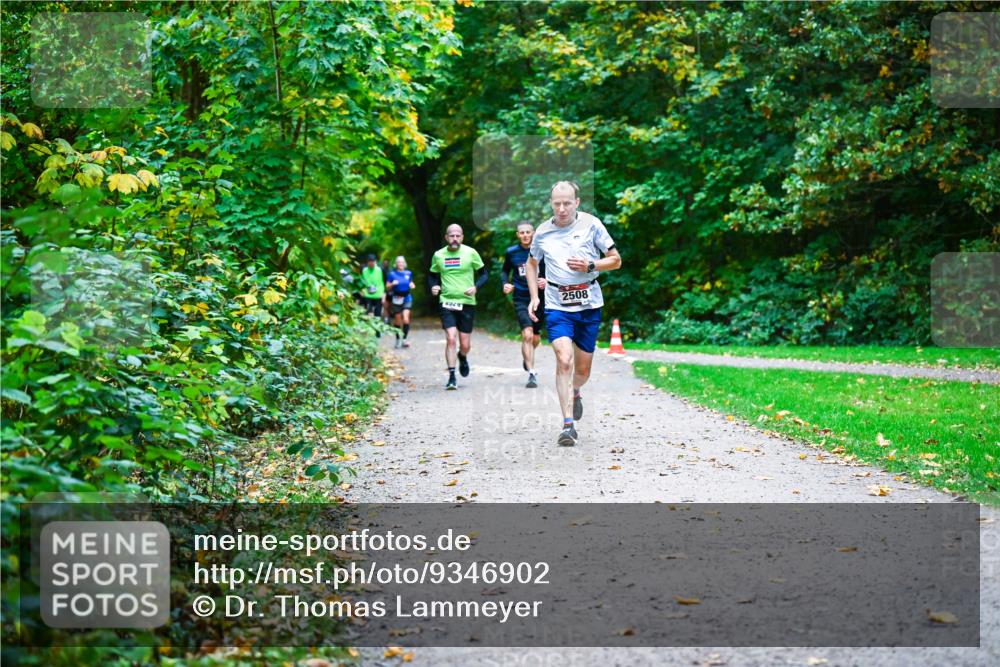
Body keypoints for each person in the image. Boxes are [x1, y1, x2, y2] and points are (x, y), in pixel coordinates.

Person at [525, 181, 622, 446]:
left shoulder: (592, 224)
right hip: (557, 304)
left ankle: (576, 390)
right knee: (563, 359)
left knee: (582, 371)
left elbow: (616, 259)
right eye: (557, 203)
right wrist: (535, 297)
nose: (562, 208)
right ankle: (568, 426)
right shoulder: (543, 232)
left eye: (567, 203)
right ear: (551, 203)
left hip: (589, 304)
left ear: (577, 202)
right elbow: (532, 264)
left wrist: (591, 264)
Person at [429, 224, 489, 390]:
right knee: (451, 338)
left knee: (465, 345)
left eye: (458, 235)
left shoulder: (471, 253)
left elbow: (484, 274)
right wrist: (433, 287)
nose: (454, 238)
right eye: (451, 235)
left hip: (467, 303)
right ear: (446, 237)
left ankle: (462, 356)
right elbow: (432, 276)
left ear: (462, 237)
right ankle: (452, 376)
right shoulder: (438, 255)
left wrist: (476, 287)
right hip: (446, 301)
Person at [502, 221, 547, 388]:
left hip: (540, 299)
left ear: (533, 233)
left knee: (535, 337)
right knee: (526, 335)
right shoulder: (511, 252)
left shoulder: (541, 251)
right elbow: (505, 271)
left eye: (528, 232)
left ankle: (528, 356)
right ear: (517, 235)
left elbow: (551, 270)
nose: (525, 235)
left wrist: (546, 280)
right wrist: (505, 283)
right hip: (520, 297)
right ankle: (531, 372)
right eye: (522, 233)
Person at [386, 255, 416, 348]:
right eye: (399, 262)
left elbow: (411, 282)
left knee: (406, 319)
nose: (400, 264)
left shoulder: (408, 273)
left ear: (405, 263)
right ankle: (398, 339)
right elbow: (387, 286)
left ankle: (404, 339)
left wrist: (412, 285)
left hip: (407, 298)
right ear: (396, 264)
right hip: (396, 299)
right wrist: (392, 284)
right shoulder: (392, 274)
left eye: (402, 262)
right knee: (398, 321)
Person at [359, 253, 385, 337]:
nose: (371, 264)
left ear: (376, 262)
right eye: (369, 262)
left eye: (373, 262)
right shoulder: (364, 270)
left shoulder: (381, 269)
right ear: (367, 262)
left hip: (378, 295)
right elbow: (361, 281)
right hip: (367, 295)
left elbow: (385, 281)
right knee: (368, 312)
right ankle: (369, 330)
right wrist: (361, 291)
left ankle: (377, 331)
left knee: (377, 314)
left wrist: (384, 294)